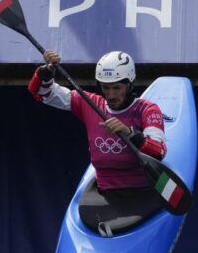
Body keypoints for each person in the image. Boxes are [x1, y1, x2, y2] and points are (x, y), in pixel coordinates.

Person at [28, 50, 167, 234]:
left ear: (129, 84)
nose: (110, 95)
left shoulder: (147, 110)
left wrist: (129, 133)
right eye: (105, 87)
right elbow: (41, 93)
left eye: (117, 88)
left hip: (143, 193)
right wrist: (46, 72)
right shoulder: (90, 103)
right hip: (106, 195)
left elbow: (159, 151)